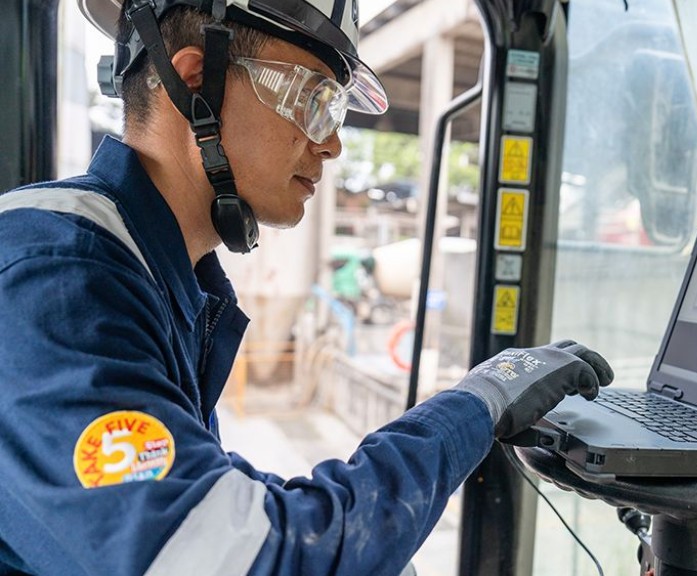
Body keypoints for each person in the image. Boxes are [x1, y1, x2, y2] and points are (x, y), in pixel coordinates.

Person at [0, 1, 614, 574]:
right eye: (312, 99)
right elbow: (253, 555)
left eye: (337, 108)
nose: (332, 142)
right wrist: (480, 401)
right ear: (194, 82)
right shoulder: (57, 279)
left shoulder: (160, 279)